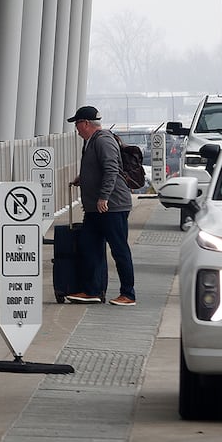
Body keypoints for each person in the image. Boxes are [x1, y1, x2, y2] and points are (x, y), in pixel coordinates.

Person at [65, 105, 138, 306]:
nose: (77, 129)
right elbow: (97, 168)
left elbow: (111, 169)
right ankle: (92, 291)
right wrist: (83, 178)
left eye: (77, 125)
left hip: (111, 207)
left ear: (86, 123)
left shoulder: (103, 140)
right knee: (89, 247)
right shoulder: (90, 142)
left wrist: (104, 197)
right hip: (95, 209)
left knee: (119, 249)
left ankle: (128, 294)